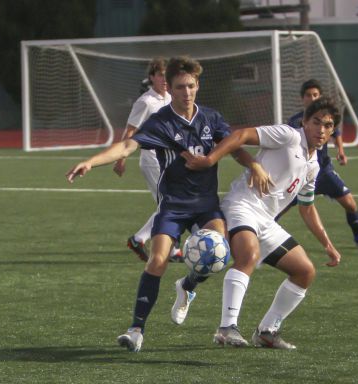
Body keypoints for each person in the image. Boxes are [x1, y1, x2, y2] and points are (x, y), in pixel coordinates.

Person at [66, 56, 269, 353]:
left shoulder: (211, 118)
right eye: (179, 87)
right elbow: (127, 145)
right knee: (157, 260)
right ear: (170, 89)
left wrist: (254, 165)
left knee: (219, 255)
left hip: (205, 205)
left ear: (197, 85)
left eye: (190, 86)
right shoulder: (161, 122)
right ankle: (136, 330)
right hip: (172, 205)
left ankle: (187, 286)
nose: (186, 92)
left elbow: (234, 147)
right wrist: (91, 162)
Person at [182, 97, 342, 349]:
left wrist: (328, 245)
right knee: (248, 257)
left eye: (328, 125)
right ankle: (226, 328)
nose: (321, 130)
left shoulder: (313, 165)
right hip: (242, 205)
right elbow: (241, 135)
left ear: (332, 131)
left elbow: (307, 208)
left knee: (305, 271)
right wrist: (211, 159)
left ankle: (267, 331)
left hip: (266, 221)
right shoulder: (288, 135)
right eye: (316, 122)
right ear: (305, 122)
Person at [285, 79, 358, 250]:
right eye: (308, 95)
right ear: (302, 98)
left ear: (320, 96)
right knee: (277, 209)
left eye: (315, 95)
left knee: (350, 204)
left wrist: (340, 150)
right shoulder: (295, 121)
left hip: (324, 172)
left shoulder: (326, 117)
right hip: (301, 174)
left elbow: (336, 133)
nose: (312, 98)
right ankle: (260, 243)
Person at [112, 57, 182, 262]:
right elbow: (131, 131)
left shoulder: (170, 98)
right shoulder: (145, 102)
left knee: (171, 204)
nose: (163, 79)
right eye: (159, 75)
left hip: (170, 158)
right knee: (170, 204)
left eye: (166, 74)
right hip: (152, 159)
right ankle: (144, 240)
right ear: (152, 77)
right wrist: (121, 158)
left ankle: (163, 246)